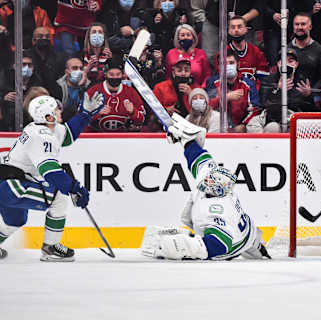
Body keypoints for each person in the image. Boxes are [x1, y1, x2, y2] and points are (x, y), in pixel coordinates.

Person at [0, 92, 105, 261]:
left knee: (14, 221)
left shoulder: (42, 126)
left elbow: (68, 134)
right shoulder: (42, 136)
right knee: (59, 197)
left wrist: (86, 114)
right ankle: (50, 249)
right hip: (13, 186)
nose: (60, 111)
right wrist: (75, 188)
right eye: (56, 110)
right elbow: (50, 171)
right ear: (49, 117)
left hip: (4, 184)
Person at [141, 113, 271, 261]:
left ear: (218, 189)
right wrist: (187, 141)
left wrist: (184, 246)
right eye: (210, 177)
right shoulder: (215, 186)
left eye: (211, 180)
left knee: (205, 248)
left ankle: (261, 251)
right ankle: (261, 250)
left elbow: (222, 245)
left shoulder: (217, 209)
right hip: (248, 232)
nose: (207, 179)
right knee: (255, 246)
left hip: (234, 246)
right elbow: (199, 158)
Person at [205, 49, 260, 133]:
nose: (228, 66)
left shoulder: (248, 84)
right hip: (217, 127)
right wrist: (225, 98)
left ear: (238, 65)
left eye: (231, 63)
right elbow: (206, 107)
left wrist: (243, 125)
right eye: (224, 63)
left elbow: (255, 109)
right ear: (219, 67)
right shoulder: (212, 82)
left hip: (241, 128)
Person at [85, 59, 146, 132]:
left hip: (124, 137)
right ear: (105, 74)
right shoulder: (93, 91)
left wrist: (133, 112)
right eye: (111, 74)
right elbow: (80, 117)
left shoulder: (131, 92)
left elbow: (142, 120)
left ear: (122, 74)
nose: (115, 77)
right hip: (95, 136)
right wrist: (96, 113)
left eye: (118, 74)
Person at [288, 13, 321, 108]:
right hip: (289, 102)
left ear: (310, 27)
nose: (299, 27)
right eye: (296, 24)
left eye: (303, 24)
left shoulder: (320, 50)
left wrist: (311, 91)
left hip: (312, 102)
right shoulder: (285, 49)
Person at [214, 16, 269, 85]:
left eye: (239, 27)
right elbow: (219, 80)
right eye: (233, 27)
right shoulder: (222, 53)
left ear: (246, 29)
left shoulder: (256, 52)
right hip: (232, 93)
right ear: (228, 31)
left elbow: (263, 78)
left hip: (252, 93)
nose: (236, 30)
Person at [53, 58, 91, 122]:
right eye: (75, 68)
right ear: (66, 72)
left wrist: (82, 87)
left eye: (81, 68)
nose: (79, 71)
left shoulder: (89, 86)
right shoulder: (57, 87)